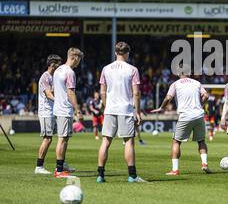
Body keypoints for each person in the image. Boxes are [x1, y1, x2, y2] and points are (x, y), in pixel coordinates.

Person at [96, 42, 146, 183]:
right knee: (129, 142)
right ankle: (132, 175)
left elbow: (103, 92)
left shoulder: (106, 69)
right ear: (127, 53)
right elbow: (136, 93)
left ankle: (100, 175)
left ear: (115, 52)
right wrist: (137, 111)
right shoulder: (132, 69)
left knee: (105, 141)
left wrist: (106, 107)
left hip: (110, 109)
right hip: (125, 109)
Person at [152, 64, 211, 175]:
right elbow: (206, 95)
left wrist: (161, 107)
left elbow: (168, 98)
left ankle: (175, 170)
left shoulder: (175, 84)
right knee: (201, 141)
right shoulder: (197, 83)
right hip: (199, 115)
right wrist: (199, 104)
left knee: (176, 142)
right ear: (189, 72)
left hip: (185, 115)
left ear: (178, 73)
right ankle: (204, 164)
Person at [52, 48, 84, 178]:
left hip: (58, 108)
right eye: (79, 59)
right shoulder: (70, 72)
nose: (79, 62)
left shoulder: (58, 70)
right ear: (75, 57)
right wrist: (78, 110)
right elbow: (71, 92)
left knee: (64, 138)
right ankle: (59, 170)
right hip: (65, 109)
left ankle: (62, 164)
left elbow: (54, 90)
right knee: (62, 139)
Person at [35, 54, 62, 175]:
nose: (60, 66)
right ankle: (39, 166)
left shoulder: (53, 77)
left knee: (60, 137)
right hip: (46, 111)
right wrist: (60, 101)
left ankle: (61, 163)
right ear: (52, 64)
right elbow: (48, 94)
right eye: (58, 64)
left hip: (52, 111)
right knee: (47, 138)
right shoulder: (45, 77)